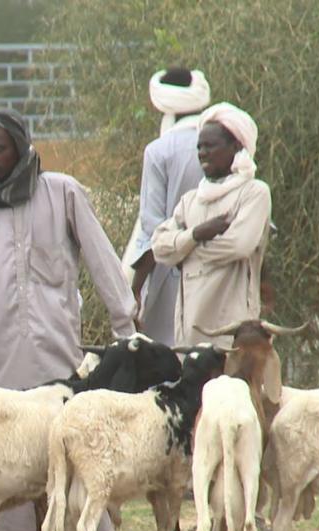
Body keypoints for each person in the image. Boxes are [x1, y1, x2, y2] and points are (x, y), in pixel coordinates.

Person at [0, 109, 136, 531]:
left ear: (20, 147)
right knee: (18, 462)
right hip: (3, 354)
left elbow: (103, 260)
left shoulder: (62, 192)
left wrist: (125, 325)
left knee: (77, 461)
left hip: (58, 353)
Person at [150, 102, 272, 348]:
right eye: (199, 147)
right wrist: (196, 234)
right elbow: (159, 248)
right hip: (190, 335)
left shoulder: (253, 192)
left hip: (233, 335)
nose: (202, 153)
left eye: (210, 146)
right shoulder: (191, 200)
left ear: (236, 146)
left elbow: (238, 245)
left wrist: (184, 252)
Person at [124, 68, 210, 344]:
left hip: (170, 275)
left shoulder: (160, 150)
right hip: (221, 271)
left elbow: (153, 227)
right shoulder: (230, 143)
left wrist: (134, 291)